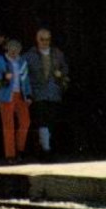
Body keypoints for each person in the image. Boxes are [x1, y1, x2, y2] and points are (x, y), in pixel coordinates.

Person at [23, 28, 70, 159]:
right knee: (42, 121)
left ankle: (50, 148)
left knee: (52, 122)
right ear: (37, 40)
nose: (45, 42)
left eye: (47, 39)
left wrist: (61, 76)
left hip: (54, 93)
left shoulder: (58, 54)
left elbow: (65, 69)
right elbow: (23, 75)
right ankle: (46, 149)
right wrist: (28, 92)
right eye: (42, 39)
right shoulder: (29, 56)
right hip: (38, 94)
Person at [0, 36, 32, 163]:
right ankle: (10, 155)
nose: (14, 51)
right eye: (11, 48)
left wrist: (28, 95)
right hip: (6, 95)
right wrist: (3, 75)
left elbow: (26, 80)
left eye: (16, 49)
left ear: (20, 50)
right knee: (8, 125)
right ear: (7, 48)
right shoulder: (0, 60)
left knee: (25, 122)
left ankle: (20, 150)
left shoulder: (22, 62)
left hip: (20, 95)